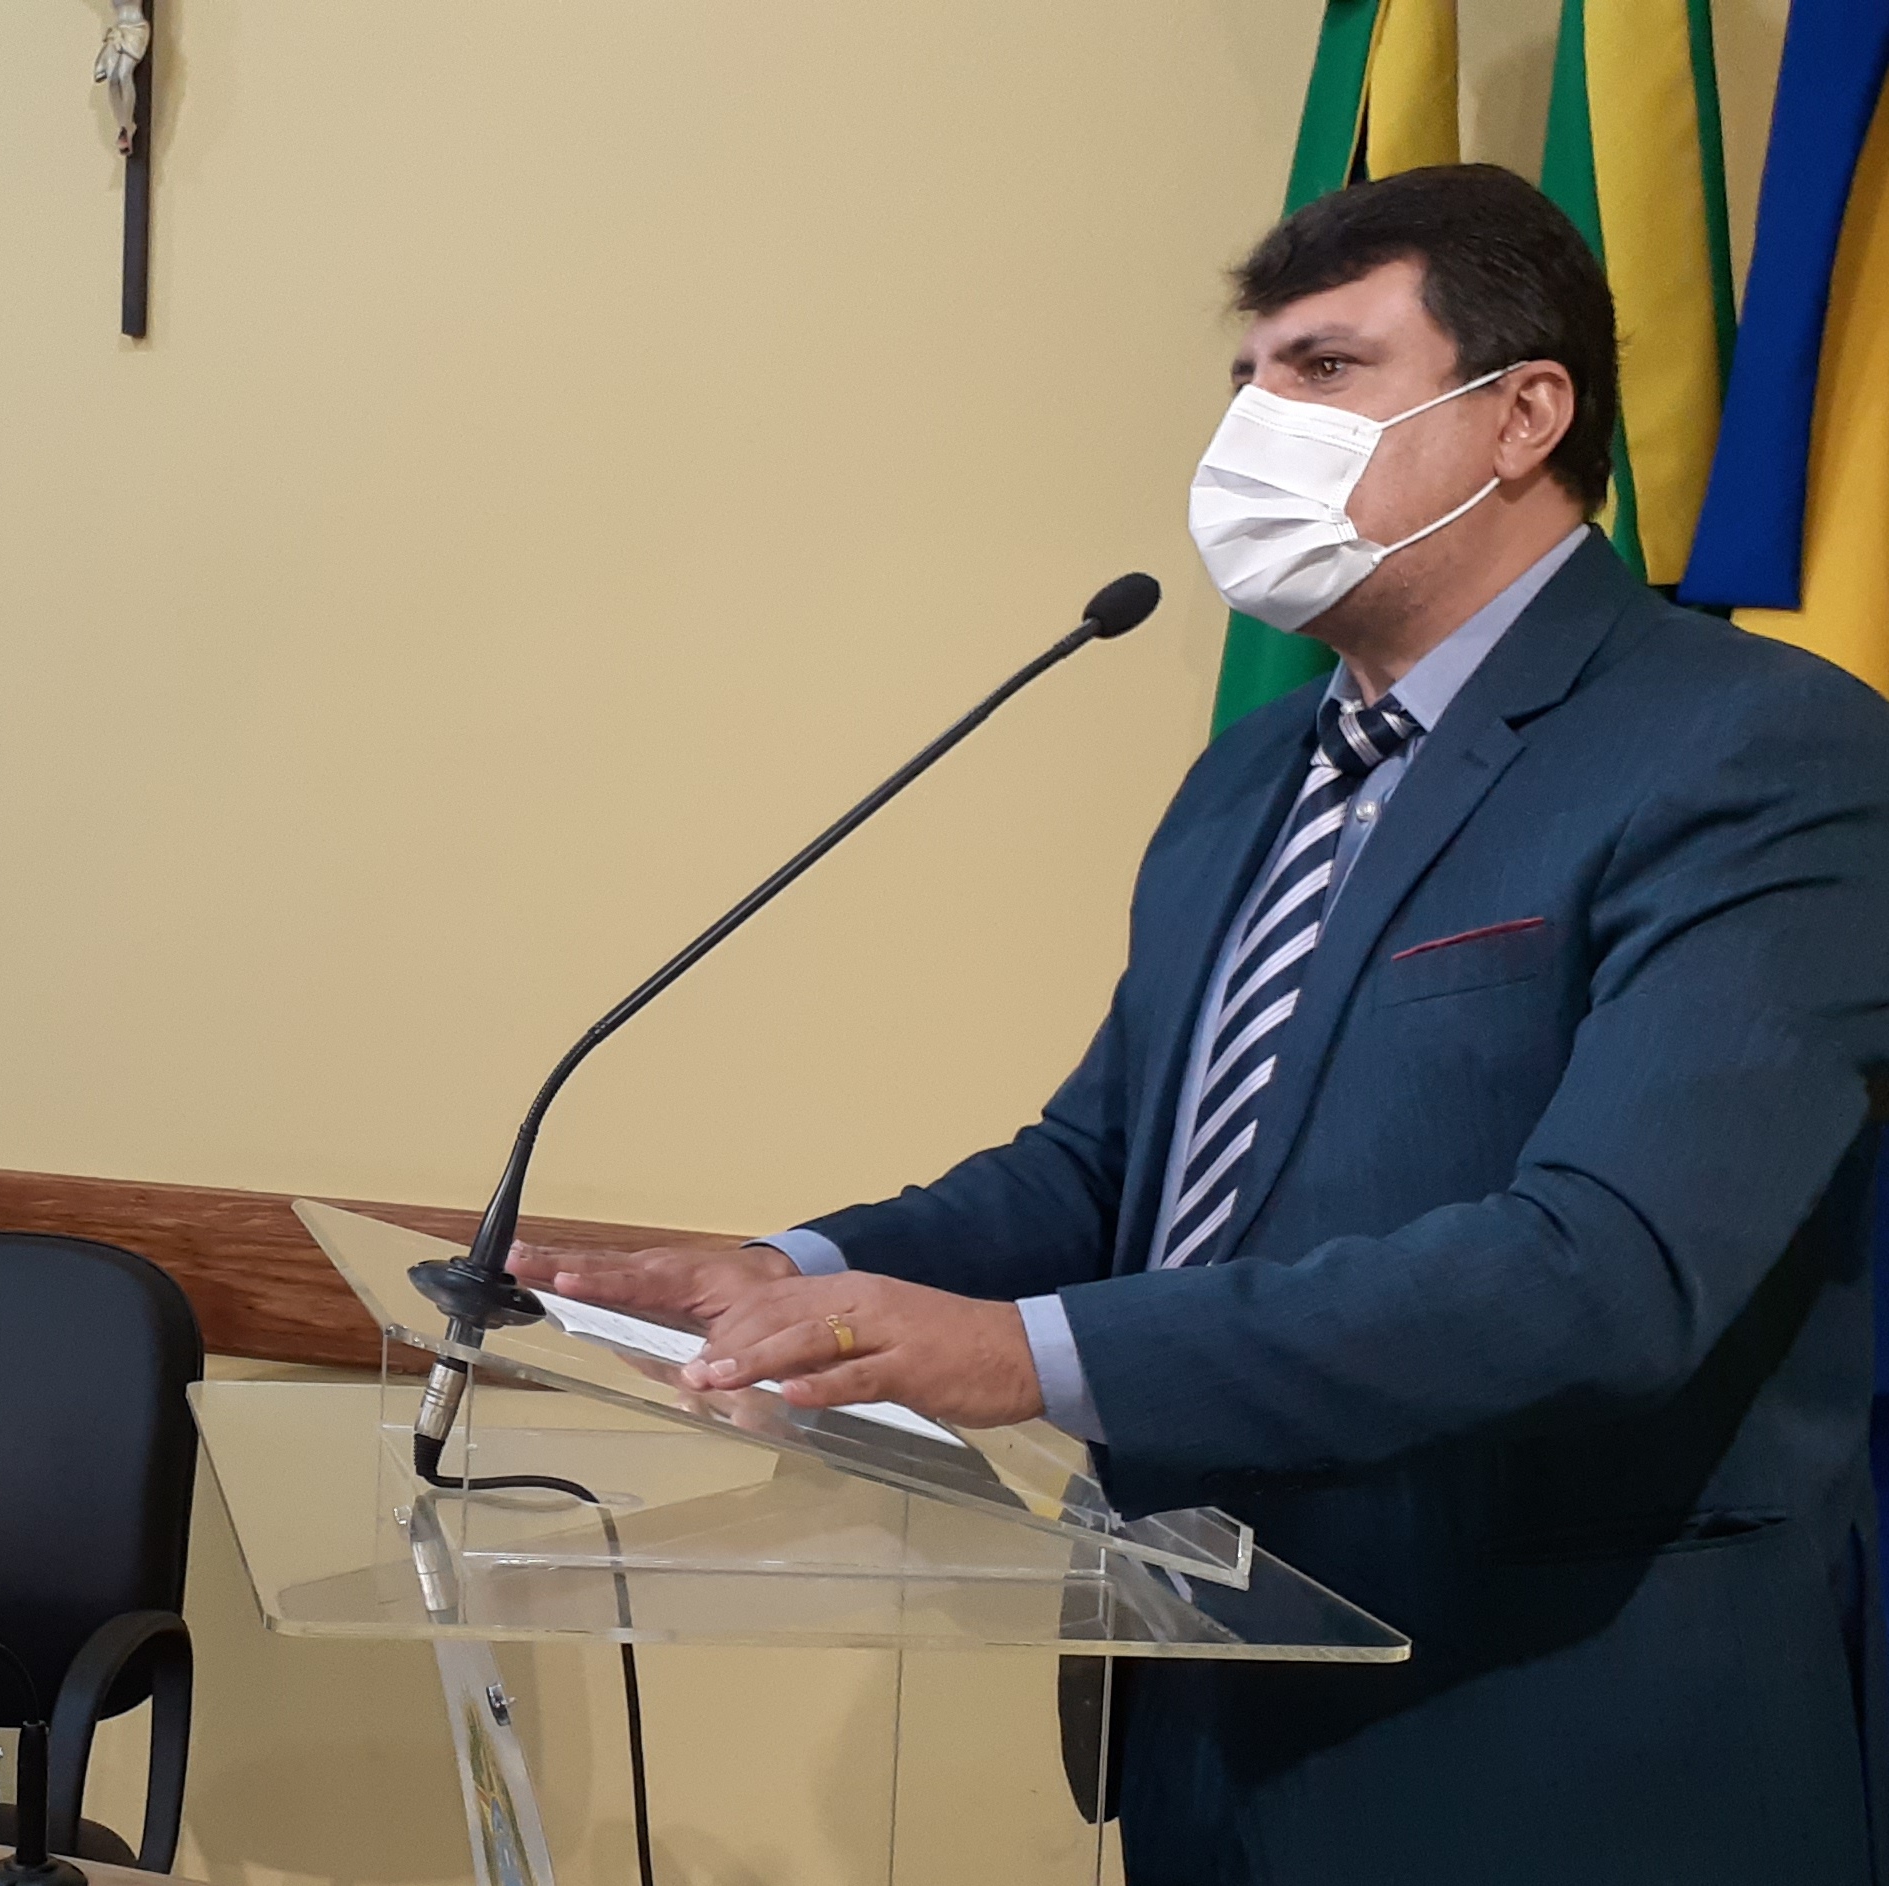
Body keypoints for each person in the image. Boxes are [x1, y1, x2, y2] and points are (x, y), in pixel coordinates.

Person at [514, 165, 1889, 1884]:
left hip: (1555, 1750)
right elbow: (1105, 1170)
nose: (1253, 428)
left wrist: (1023, 1356)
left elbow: (1600, 1274)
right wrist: (793, 1272)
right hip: (1200, 1717)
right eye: (1244, 380)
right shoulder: (1247, 778)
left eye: (1323, 370)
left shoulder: (1752, 748)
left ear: (1521, 414)